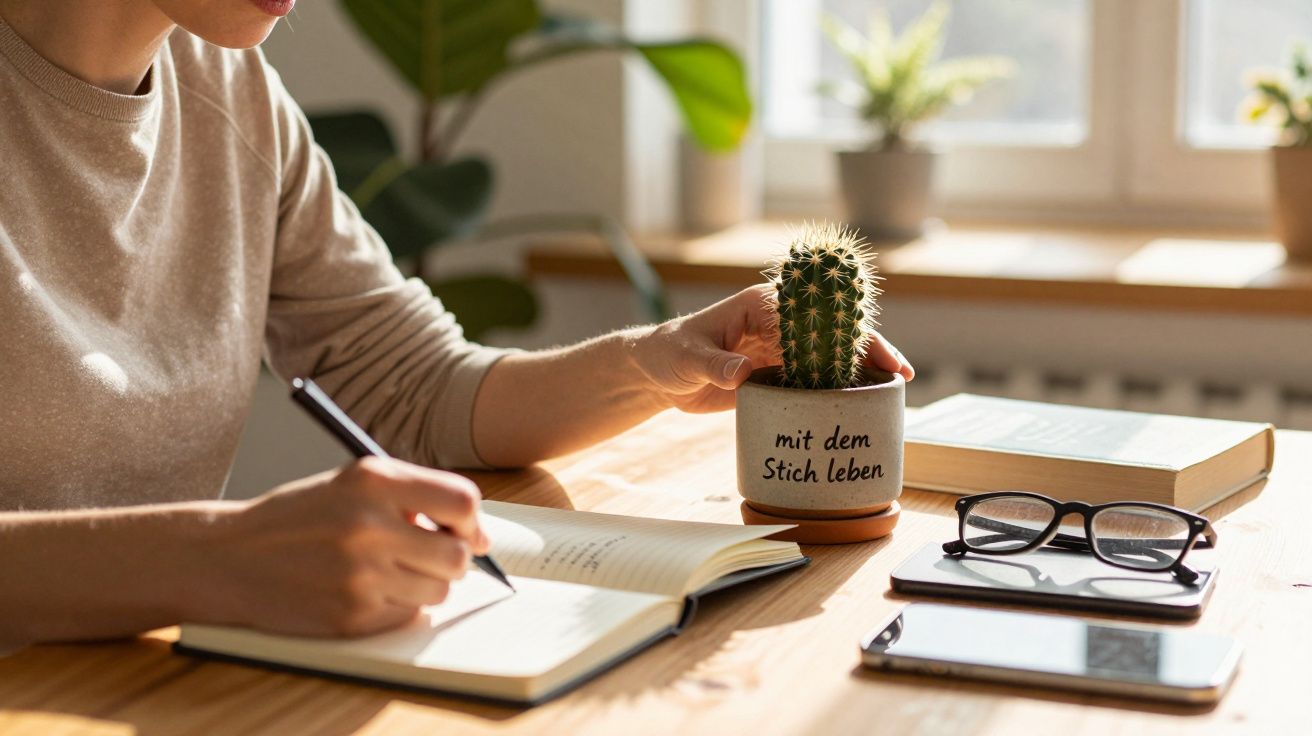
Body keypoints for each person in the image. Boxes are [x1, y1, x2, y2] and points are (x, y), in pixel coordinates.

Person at [0, 0, 914, 648]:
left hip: (137, 690)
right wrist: (221, 559)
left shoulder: (231, 91)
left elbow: (421, 386)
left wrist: (658, 361)